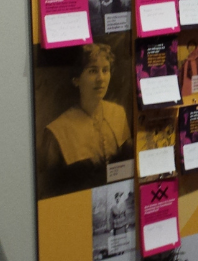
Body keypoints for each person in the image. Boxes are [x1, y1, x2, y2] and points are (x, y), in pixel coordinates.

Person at [37, 44, 132, 198]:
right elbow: (51, 189)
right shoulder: (57, 131)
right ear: (76, 79)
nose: (101, 78)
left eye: (105, 70)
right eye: (92, 71)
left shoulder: (118, 113)